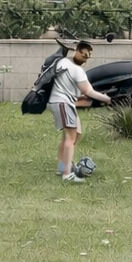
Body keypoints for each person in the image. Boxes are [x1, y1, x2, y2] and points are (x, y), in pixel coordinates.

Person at [49, 39, 110, 182]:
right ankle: (66, 174)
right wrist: (106, 98)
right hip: (63, 103)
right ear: (76, 52)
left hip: (61, 102)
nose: (86, 59)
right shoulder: (76, 69)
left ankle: (63, 165)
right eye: (83, 55)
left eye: (88, 56)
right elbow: (88, 90)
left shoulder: (63, 63)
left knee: (75, 133)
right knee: (70, 138)